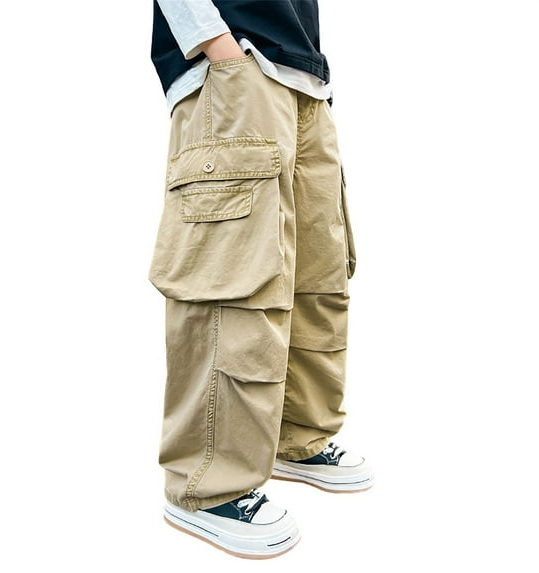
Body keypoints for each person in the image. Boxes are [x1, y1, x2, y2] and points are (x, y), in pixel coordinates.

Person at [148, 0, 373, 559]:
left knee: (318, 277)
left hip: (304, 82)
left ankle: (298, 438)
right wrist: (217, 47)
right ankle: (207, 484)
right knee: (234, 277)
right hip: (233, 69)